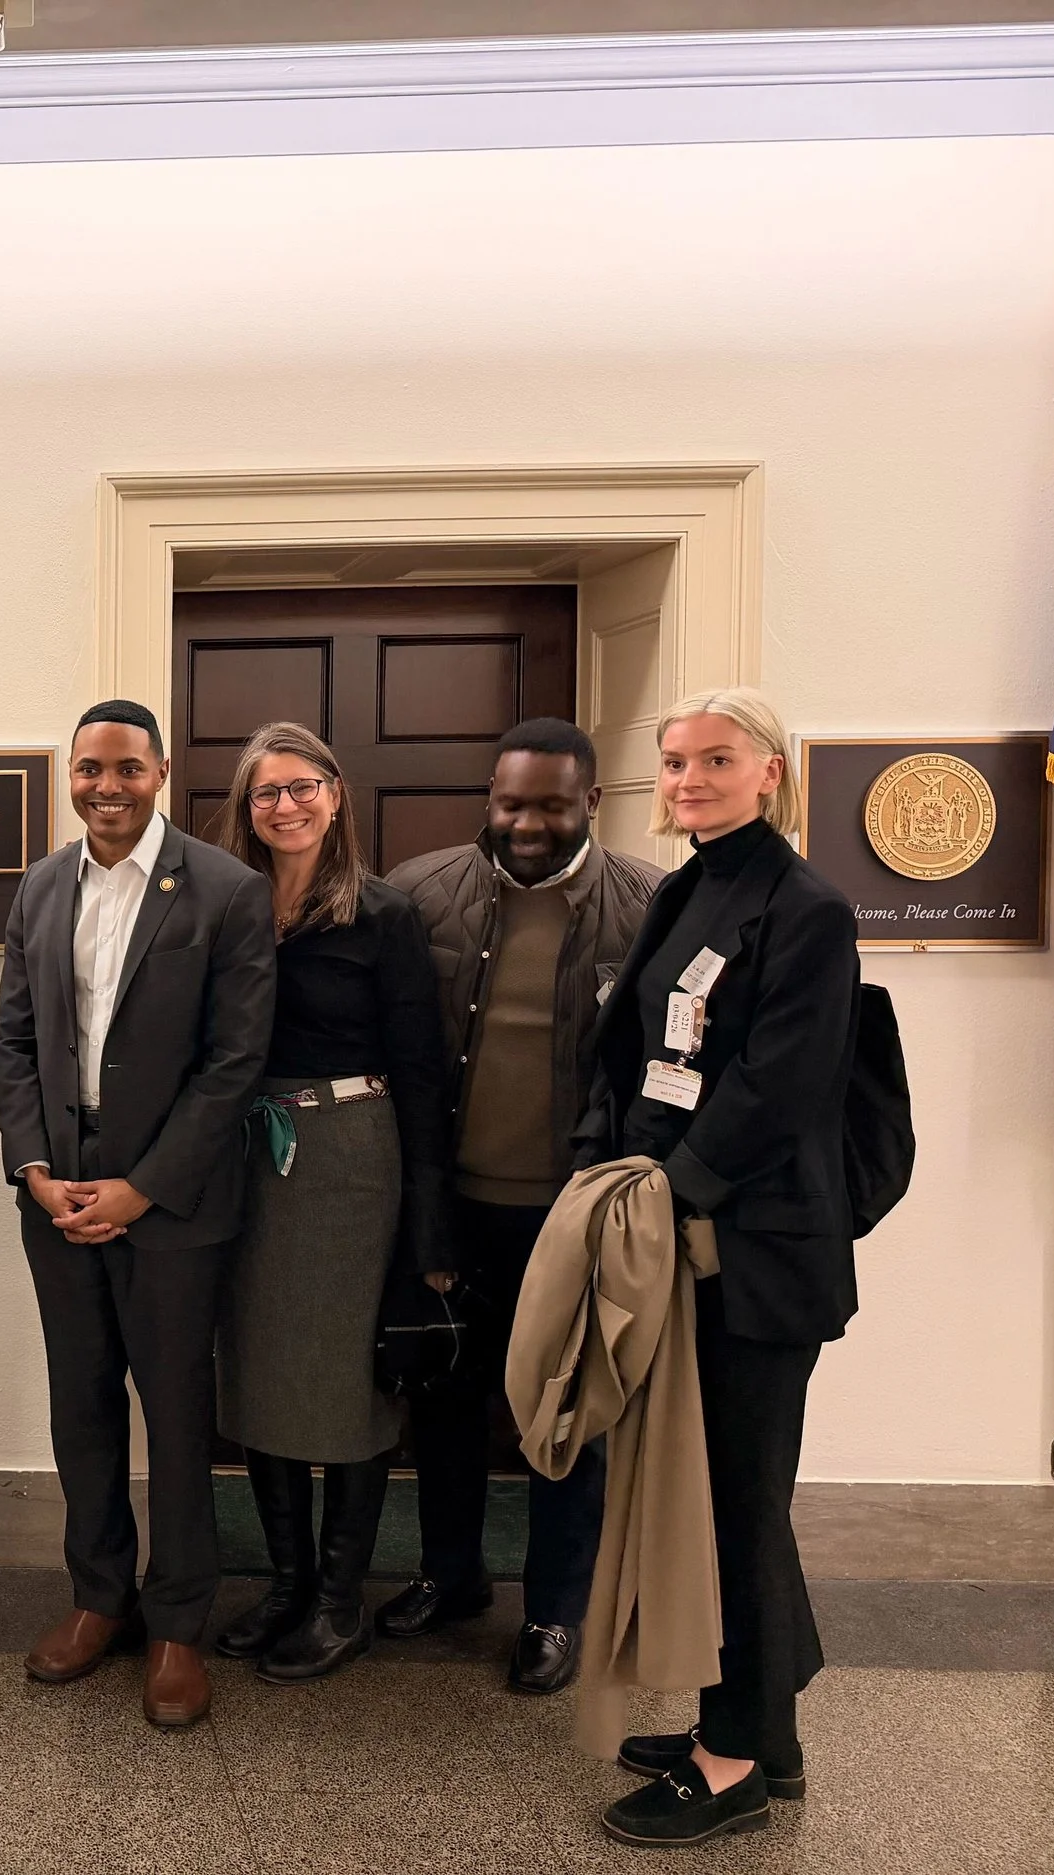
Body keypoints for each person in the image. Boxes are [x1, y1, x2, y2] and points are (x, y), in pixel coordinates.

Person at [577, 689, 859, 1849]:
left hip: (748, 1253)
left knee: (742, 1502)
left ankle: (730, 1764)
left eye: (714, 760)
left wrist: (668, 1189)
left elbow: (777, 1086)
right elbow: (641, 1050)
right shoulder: (688, 888)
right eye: (675, 762)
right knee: (724, 1497)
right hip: (678, 1235)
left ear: (771, 774)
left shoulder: (808, 908)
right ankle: (762, 1729)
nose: (686, 780)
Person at [0, 700, 275, 1730]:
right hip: (58, 1197)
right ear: (71, 776)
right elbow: (13, 1042)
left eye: (125, 769)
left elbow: (234, 1062)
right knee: (82, 1409)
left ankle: (177, 1622)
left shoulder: (227, 891)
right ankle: (97, 1598)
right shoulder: (37, 887)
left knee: (176, 1415)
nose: (104, 787)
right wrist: (33, 1167)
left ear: (159, 773)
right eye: (88, 770)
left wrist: (142, 1187)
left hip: (172, 1203)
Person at [380, 719, 663, 1693]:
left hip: (572, 1216)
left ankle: (553, 1611)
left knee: (562, 1414)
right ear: (488, 800)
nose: (526, 822)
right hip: (452, 1203)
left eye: (549, 804)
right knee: (446, 1402)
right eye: (510, 803)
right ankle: (450, 1575)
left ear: (590, 802)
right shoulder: (420, 895)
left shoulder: (646, 909)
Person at [208, 722, 446, 1685]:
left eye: (303, 786)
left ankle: (341, 1600)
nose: (286, 806)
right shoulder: (227, 908)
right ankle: (287, 1580)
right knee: (260, 1373)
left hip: (352, 1159)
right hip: (251, 1158)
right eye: (266, 792)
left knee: (348, 1386)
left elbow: (425, 1075)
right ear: (246, 807)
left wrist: (429, 1230)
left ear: (336, 795)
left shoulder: (383, 916)